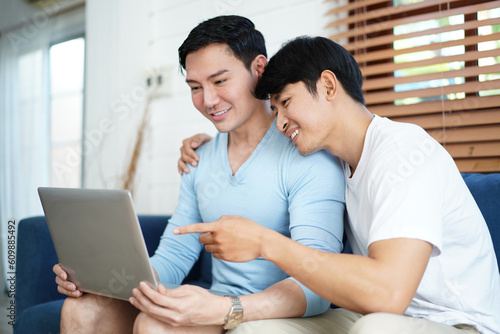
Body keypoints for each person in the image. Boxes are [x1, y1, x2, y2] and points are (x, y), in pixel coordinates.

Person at [176, 36, 500, 334]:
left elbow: (389, 294)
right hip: (369, 315)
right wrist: (212, 146)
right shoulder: (338, 162)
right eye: (274, 110)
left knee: (375, 329)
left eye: (286, 102)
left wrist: (265, 243)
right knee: (254, 329)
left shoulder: (405, 152)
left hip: (456, 323)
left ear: (329, 86)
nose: (279, 123)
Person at [53, 18, 346, 333]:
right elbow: (176, 255)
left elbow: (318, 280)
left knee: (154, 326)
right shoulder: (198, 159)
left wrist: (224, 309)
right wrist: (102, 279)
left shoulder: (305, 154)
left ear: (259, 68)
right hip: (216, 302)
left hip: (273, 311)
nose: (207, 101)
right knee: (82, 309)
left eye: (219, 81)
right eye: (195, 87)